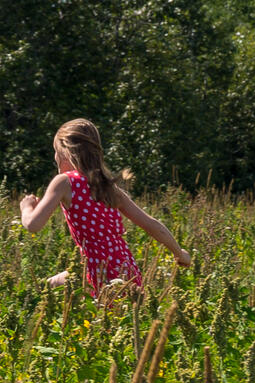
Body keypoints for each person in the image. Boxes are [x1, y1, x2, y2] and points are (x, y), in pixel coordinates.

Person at [17, 118, 193, 294]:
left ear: (65, 150)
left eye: (55, 151)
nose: (54, 157)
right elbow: (150, 223)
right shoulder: (108, 187)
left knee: (42, 292)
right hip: (126, 271)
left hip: (97, 273)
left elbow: (33, 225)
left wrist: (26, 207)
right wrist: (180, 253)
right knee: (50, 285)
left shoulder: (65, 182)